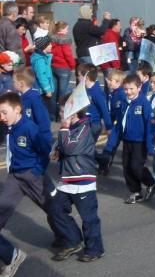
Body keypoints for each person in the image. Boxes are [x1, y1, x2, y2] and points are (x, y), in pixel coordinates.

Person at [0, 92, 54, 275]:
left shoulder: (29, 128)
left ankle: (71, 238)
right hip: (15, 176)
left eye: (4, 112)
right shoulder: (8, 126)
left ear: (17, 109)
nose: (1, 117)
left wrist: (37, 171)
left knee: (54, 208)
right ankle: (12, 256)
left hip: (31, 175)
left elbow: (45, 149)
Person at [49, 96, 104, 262]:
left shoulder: (85, 127)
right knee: (55, 210)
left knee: (89, 219)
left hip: (82, 181)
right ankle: (72, 240)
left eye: (62, 110)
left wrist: (64, 130)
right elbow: (63, 147)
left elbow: (71, 147)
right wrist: (56, 150)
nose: (59, 113)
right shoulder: (71, 127)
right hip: (66, 180)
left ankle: (95, 249)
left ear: (72, 112)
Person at [103, 75, 155, 204]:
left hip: (140, 142)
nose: (128, 92)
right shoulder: (123, 103)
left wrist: (150, 146)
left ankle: (151, 183)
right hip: (127, 140)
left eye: (131, 89)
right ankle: (136, 191)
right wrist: (110, 146)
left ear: (139, 88)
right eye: (126, 89)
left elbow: (151, 126)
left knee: (136, 167)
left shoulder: (144, 103)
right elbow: (118, 126)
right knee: (126, 167)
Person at [13, 68, 53, 146]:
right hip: (23, 137)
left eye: (14, 81)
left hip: (33, 139)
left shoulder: (34, 99)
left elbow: (43, 121)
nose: (12, 83)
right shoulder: (20, 97)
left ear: (21, 84)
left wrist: (45, 140)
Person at [77, 64, 112, 142]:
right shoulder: (84, 89)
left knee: (87, 147)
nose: (77, 78)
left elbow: (105, 111)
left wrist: (109, 128)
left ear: (86, 77)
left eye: (79, 76)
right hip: (85, 122)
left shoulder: (97, 94)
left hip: (93, 125)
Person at [51, 21, 76, 120]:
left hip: (54, 66)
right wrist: (72, 65)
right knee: (63, 93)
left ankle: (53, 115)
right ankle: (62, 115)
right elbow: (68, 55)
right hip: (64, 67)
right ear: (62, 29)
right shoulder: (65, 40)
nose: (67, 30)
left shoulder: (52, 39)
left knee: (55, 92)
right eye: (66, 28)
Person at [30, 36, 56, 121]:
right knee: (47, 110)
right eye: (49, 44)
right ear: (44, 47)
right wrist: (47, 90)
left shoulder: (43, 57)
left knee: (48, 108)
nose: (51, 46)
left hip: (45, 89)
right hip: (43, 91)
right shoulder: (40, 60)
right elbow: (41, 76)